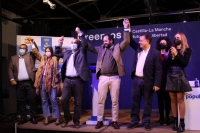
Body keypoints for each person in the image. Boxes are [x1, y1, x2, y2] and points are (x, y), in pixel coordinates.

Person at [86, 19, 130, 129]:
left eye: (106, 40)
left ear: (111, 41)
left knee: (115, 101)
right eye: (103, 40)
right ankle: (99, 120)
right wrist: (81, 35)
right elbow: (90, 47)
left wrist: (126, 28)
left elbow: (127, 41)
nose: (104, 42)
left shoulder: (117, 47)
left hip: (115, 78)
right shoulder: (100, 48)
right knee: (101, 101)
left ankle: (115, 121)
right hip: (103, 78)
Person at [54, 28, 91, 128]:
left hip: (78, 80)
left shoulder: (82, 52)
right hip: (67, 80)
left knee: (78, 102)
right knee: (64, 99)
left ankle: (76, 121)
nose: (72, 44)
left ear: (78, 44)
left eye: (74, 42)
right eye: (71, 42)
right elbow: (56, 53)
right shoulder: (67, 52)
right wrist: (59, 43)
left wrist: (80, 33)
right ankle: (67, 118)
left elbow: (85, 44)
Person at [127, 33, 162, 131]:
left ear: (148, 41)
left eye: (141, 40)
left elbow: (158, 70)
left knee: (147, 103)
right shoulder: (138, 48)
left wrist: (156, 83)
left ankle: (146, 121)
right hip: (136, 80)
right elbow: (130, 40)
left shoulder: (155, 53)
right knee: (135, 102)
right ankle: (134, 121)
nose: (139, 42)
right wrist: (127, 28)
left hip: (148, 81)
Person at [27, 36, 61, 126]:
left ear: (51, 52)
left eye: (49, 51)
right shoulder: (43, 58)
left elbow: (58, 52)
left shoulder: (54, 58)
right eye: (46, 51)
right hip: (42, 81)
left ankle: (57, 118)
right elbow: (36, 52)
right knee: (44, 100)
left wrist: (59, 43)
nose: (47, 52)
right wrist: (32, 42)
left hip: (52, 82)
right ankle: (46, 117)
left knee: (53, 99)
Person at [166, 32, 192, 132]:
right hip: (170, 75)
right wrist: (171, 56)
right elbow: (167, 64)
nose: (176, 39)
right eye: (175, 37)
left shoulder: (188, 50)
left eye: (178, 37)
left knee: (180, 99)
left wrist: (176, 55)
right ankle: (175, 122)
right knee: (172, 100)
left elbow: (184, 63)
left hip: (179, 75)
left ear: (182, 39)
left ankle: (182, 123)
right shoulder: (171, 49)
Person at [8, 43, 38, 125]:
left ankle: (33, 117)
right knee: (21, 101)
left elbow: (36, 51)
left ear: (26, 50)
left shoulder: (30, 56)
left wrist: (32, 42)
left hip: (30, 82)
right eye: (20, 48)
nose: (21, 49)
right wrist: (12, 79)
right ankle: (23, 117)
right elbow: (10, 69)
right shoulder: (13, 58)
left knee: (32, 100)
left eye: (23, 48)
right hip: (19, 83)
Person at [155, 37, 172, 125]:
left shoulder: (170, 54)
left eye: (164, 42)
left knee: (168, 100)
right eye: (161, 42)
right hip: (159, 80)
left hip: (168, 80)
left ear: (167, 44)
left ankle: (168, 118)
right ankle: (161, 117)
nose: (162, 44)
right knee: (160, 100)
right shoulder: (156, 54)